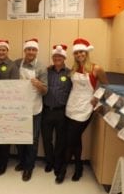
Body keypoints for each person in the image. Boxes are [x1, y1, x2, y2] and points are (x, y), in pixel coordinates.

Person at [57, 38, 108, 183]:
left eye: (81, 52)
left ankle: (63, 169)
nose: (79, 54)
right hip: (71, 105)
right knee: (75, 139)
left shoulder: (96, 68)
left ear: (86, 52)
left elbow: (106, 86)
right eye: (77, 52)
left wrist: (97, 98)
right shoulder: (73, 69)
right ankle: (79, 167)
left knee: (69, 140)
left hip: (85, 107)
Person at [14, 38, 48, 182]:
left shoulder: (41, 67)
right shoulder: (17, 63)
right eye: (28, 49)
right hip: (18, 108)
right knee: (19, 137)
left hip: (35, 108)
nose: (31, 52)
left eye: (33, 50)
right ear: (25, 51)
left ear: (36, 51)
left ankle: (29, 167)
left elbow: (45, 90)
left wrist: (39, 84)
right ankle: (22, 161)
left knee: (32, 139)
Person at [41, 44, 72, 183]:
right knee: (47, 139)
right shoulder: (46, 71)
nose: (57, 58)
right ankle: (49, 162)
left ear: (64, 58)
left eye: (60, 56)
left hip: (61, 112)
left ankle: (58, 164)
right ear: (52, 58)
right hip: (47, 110)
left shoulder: (70, 73)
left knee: (60, 140)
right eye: (55, 56)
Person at [0, 39, 19, 175]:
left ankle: (2, 164)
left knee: (5, 136)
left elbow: (15, 87)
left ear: (7, 51)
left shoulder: (13, 66)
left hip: (8, 107)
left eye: (3, 50)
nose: (1, 52)